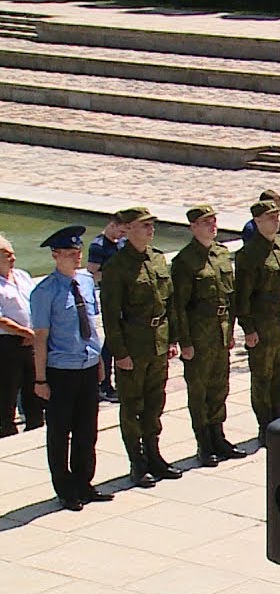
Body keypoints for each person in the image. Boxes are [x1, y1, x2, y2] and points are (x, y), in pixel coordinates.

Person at [29, 226, 113, 510]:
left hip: (87, 365)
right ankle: (65, 490)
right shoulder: (45, 292)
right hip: (61, 370)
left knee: (87, 430)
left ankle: (84, 483)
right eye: (69, 254)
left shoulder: (87, 282)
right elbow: (40, 338)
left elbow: (92, 328)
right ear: (55, 256)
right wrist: (40, 379)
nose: (76, 258)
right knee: (60, 431)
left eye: (78, 252)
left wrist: (100, 362)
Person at [100, 207, 181, 487]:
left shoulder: (157, 259)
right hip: (133, 347)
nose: (150, 230)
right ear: (127, 230)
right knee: (132, 406)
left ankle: (154, 454)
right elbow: (111, 316)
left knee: (155, 402)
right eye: (143, 226)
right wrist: (119, 354)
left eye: (151, 226)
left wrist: (171, 339)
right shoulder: (117, 267)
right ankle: (137, 461)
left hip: (157, 344)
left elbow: (169, 303)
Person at [170, 205, 244, 467]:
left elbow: (230, 297)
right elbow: (178, 306)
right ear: (193, 227)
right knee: (199, 391)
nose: (212, 226)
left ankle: (218, 435)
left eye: (213, 221)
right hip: (199, 335)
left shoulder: (222, 254)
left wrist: (231, 329)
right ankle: (204, 442)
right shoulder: (185, 261)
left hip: (220, 331)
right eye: (205, 222)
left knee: (219, 387)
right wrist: (185, 342)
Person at [234, 198, 280, 442]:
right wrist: (248, 328)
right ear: (257, 222)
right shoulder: (249, 255)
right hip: (263, 323)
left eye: (277, 216)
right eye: (270, 217)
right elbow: (243, 297)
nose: (276, 220)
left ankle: (279, 417)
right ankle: (265, 424)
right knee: (263, 377)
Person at [0, 234, 40, 437]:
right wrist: (25, 332)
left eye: (13, 254)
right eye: (6, 255)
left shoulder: (22, 276)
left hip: (32, 340)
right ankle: (6, 429)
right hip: (7, 342)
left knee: (33, 384)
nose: (12, 258)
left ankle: (35, 423)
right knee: (7, 388)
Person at [86, 214, 125, 403]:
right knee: (110, 341)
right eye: (120, 230)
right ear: (112, 225)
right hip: (109, 296)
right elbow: (92, 274)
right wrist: (115, 274)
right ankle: (104, 384)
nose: (121, 235)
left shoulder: (121, 241)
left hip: (124, 296)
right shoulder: (98, 246)